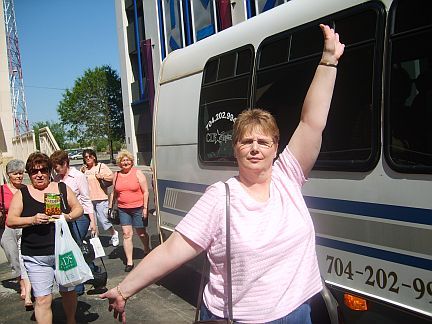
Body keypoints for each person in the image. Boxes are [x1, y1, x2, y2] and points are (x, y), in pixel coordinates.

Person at [101, 24, 344, 323]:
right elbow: (173, 250)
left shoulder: (288, 178)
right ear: (235, 148)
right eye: (246, 141)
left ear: (276, 147)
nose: (255, 148)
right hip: (240, 319)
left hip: (297, 312)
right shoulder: (221, 198)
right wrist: (124, 290)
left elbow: (311, 122)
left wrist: (328, 61)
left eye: (263, 142)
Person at [7, 152, 84, 324]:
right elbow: (11, 220)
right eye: (34, 171)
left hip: (63, 252)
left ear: (49, 171)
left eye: (43, 170)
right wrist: (32, 220)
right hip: (36, 256)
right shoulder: (22, 193)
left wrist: (67, 217)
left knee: (68, 292)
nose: (39, 174)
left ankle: (71, 320)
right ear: (29, 173)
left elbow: (79, 209)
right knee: (42, 299)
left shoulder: (61, 188)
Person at [50, 150, 97, 296]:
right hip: (63, 219)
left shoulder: (78, 176)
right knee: (71, 248)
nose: (56, 169)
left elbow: (86, 199)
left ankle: (78, 286)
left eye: (58, 166)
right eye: (54, 167)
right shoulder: (55, 178)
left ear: (65, 163)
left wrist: (93, 222)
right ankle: (92, 271)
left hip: (79, 218)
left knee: (76, 247)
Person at [109, 150, 151, 272]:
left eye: (127, 160)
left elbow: (146, 192)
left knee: (141, 233)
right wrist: (110, 206)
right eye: (123, 160)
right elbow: (114, 192)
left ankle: (146, 248)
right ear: (119, 163)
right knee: (127, 234)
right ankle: (129, 261)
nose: (125, 162)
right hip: (123, 209)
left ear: (131, 162)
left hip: (138, 208)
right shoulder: (116, 175)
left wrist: (145, 208)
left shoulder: (138, 173)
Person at [0, 159, 32, 309]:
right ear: (8, 175)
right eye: (15, 173)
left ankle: (26, 286)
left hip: (24, 225)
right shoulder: (1, 190)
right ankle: (21, 280)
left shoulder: (27, 188)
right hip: (7, 227)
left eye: (21, 173)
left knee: (25, 255)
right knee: (13, 256)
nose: (19, 176)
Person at [80, 149, 119, 247]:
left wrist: (101, 176)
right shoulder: (83, 169)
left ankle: (114, 234)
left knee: (104, 220)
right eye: (86, 157)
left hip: (101, 197)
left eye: (90, 156)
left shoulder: (101, 166)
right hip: (88, 199)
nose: (88, 159)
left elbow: (112, 177)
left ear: (94, 157)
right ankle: (95, 240)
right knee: (92, 222)